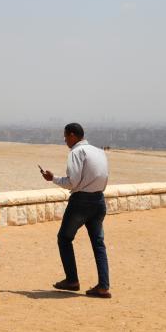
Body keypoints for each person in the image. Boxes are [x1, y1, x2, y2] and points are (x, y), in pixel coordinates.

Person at [40, 122, 111, 298]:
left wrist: (53, 178)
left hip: (81, 202)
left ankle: (72, 280)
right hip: (99, 200)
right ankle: (103, 286)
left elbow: (72, 182)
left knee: (64, 238)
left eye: (65, 136)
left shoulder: (76, 152)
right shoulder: (99, 151)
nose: (64, 140)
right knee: (98, 243)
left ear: (72, 135)